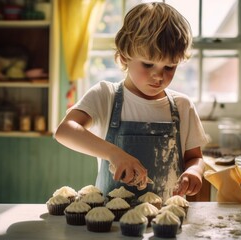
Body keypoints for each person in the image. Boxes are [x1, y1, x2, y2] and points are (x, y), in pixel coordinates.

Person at [54, 2, 209, 201]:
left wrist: (195, 172)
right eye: (148, 64)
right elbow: (65, 131)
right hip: (110, 223)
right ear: (125, 56)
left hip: (166, 220)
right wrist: (114, 154)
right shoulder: (105, 95)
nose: (159, 76)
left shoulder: (182, 106)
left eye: (169, 67)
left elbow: (195, 158)